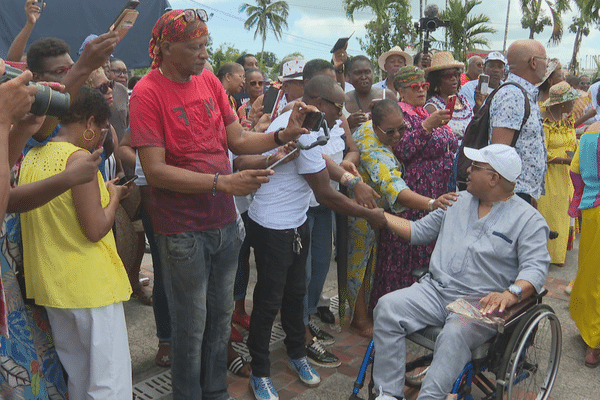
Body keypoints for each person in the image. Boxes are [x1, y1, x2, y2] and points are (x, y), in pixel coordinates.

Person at [129, 10, 315, 400]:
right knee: (190, 326)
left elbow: (239, 141)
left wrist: (283, 133)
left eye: (205, 45)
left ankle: (216, 392)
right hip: (181, 230)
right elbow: (156, 171)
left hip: (225, 225)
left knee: (220, 322)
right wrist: (223, 182)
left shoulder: (209, 81)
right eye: (195, 47)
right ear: (165, 48)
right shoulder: (147, 93)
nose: (203, 53)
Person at [244, 75, 386, 400]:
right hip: (272, 228)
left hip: (296, 224)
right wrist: (368, 214)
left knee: (296, 296)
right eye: (339, 106)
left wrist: (351, 181)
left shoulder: (314, 122)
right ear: (321, 103)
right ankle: (261, 371)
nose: (343, 113)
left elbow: (323, 162)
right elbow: (324, 194)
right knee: (268, 303)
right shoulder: (301, 127)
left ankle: (296, 352)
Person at [373, 144, 550, 400]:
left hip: (478, 303)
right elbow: (418, 231)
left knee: (454, 334)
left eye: (476, 167)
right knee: (388, 307)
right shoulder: (456, 200)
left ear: (493, 178)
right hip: (436, 289)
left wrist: (510, 294)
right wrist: (381, 216)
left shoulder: (529, 221)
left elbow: (535, 268)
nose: (467, 170)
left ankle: (431, 397)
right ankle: (388, 394)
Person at [20, 86, 133, 399]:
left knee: (79, 378)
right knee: (109, 382)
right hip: (90, 285)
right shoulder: (78, 158)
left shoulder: (32, 154)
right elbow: (95, 228)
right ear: (90, 122)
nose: (100, 137)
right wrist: (113, 198)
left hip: (52, 286)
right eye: (101, 129)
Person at [345, 95, 456, 337]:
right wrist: (431, 203)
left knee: (372, 263)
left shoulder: (377, 126)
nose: (397, 137)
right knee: (359, 264)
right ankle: (359, 319)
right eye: (390, 132)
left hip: (378, 209)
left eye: (402, 129)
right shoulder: (373, 149)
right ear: (375, 128)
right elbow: (396, 190)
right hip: (363, 210)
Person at [369, 66, 458, 312]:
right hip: (414, 192)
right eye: (414, 87)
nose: (421, 91)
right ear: (400, 90)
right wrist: (427, 125)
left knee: (426, 251)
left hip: (437, 189)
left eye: (424, 87)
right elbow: (402, 149)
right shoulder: (401, 115)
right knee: (404, 252)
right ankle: (392, 310)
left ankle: (419, 308)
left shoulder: (424, 111)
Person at [489, 39, 549, 206]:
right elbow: (499, 150)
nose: (547, 66)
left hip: (522, 193)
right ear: (534, 62)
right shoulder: (513, 95)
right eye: (546, 59)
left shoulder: (525, 93)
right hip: (512, 194)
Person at [537, 82, 580, 266]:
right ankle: (547, 255)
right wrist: (564, 160)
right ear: (562, 103)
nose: (574, 103)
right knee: (551, 212)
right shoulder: (545, 124)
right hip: (550, 176)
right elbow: (541, 153)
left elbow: (572, 143)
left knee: (564, 213)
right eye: (571, 100)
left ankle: (559, 253)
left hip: (567, 175)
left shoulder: (567, 121)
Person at [568, 120, 600, 368]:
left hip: (593, 210)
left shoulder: (590, 131)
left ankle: (591, 337)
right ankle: (594, 344)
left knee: (591, 273)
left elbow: (575, 169)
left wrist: (583, 196)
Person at [424, 51, 473, 144]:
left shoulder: (464, 101)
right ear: (437, 80)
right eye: (448, 76)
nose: (454, 78)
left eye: (456, 74)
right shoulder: (432, 107)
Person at [344, 56, 395, 130]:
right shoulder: (343, 101)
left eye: (367, 72)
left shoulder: (387, 95)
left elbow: (401, 125)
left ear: (372, 74)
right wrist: (347, 124)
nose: (364, 77)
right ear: (349, 76)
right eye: (358, 73)